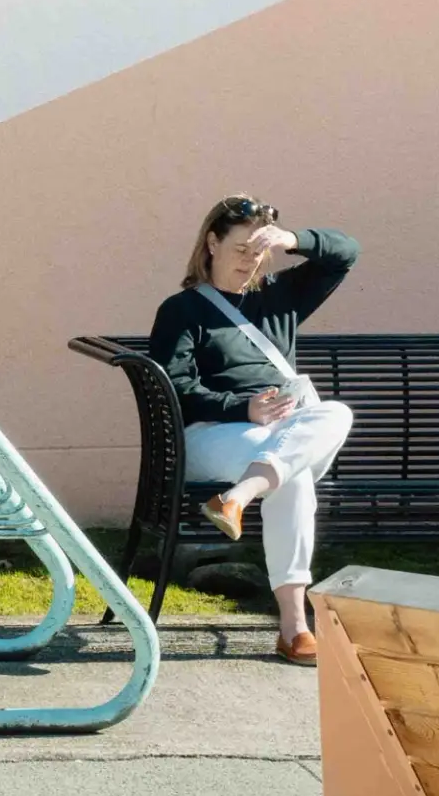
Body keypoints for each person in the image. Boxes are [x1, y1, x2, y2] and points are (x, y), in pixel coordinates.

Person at [151, 198, 361, 664]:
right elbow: (175, 389)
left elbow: (346, 251)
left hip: (277, 439)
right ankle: (295, 628)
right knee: (294, 475)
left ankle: (238, 497)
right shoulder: (182, 310)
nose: (250, 260)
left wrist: (294, 240)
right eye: (241, 247)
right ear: (211, 243)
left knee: (337, 413)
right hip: (213, 434)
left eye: (259, 250)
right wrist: (241, 406)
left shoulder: (279, 297)